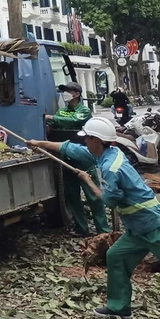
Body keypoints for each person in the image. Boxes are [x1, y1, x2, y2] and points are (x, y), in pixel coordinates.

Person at [28, 117, 160, 319]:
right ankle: (119, 308)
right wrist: (39, 143)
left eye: (87, 138)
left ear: (96, 140)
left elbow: (108, 201)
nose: (85, 142)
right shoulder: (107, 153)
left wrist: (88, 181)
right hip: (137, 229)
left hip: (154, 228)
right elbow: (72, 149)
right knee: (116, 256)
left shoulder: (111, 168)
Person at [45, 82, 110, 236]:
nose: (65, 93)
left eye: (68, 91)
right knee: (72, 195)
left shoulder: (85, 111)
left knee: (93, 195)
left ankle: (103, 231)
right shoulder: (62, 110)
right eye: (64, 91)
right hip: (66, 157)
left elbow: (73, 120)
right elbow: (55, 121)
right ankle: (82, 229)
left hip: (83, 156)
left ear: (76, 94)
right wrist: (53, 119)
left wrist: (53, 118)